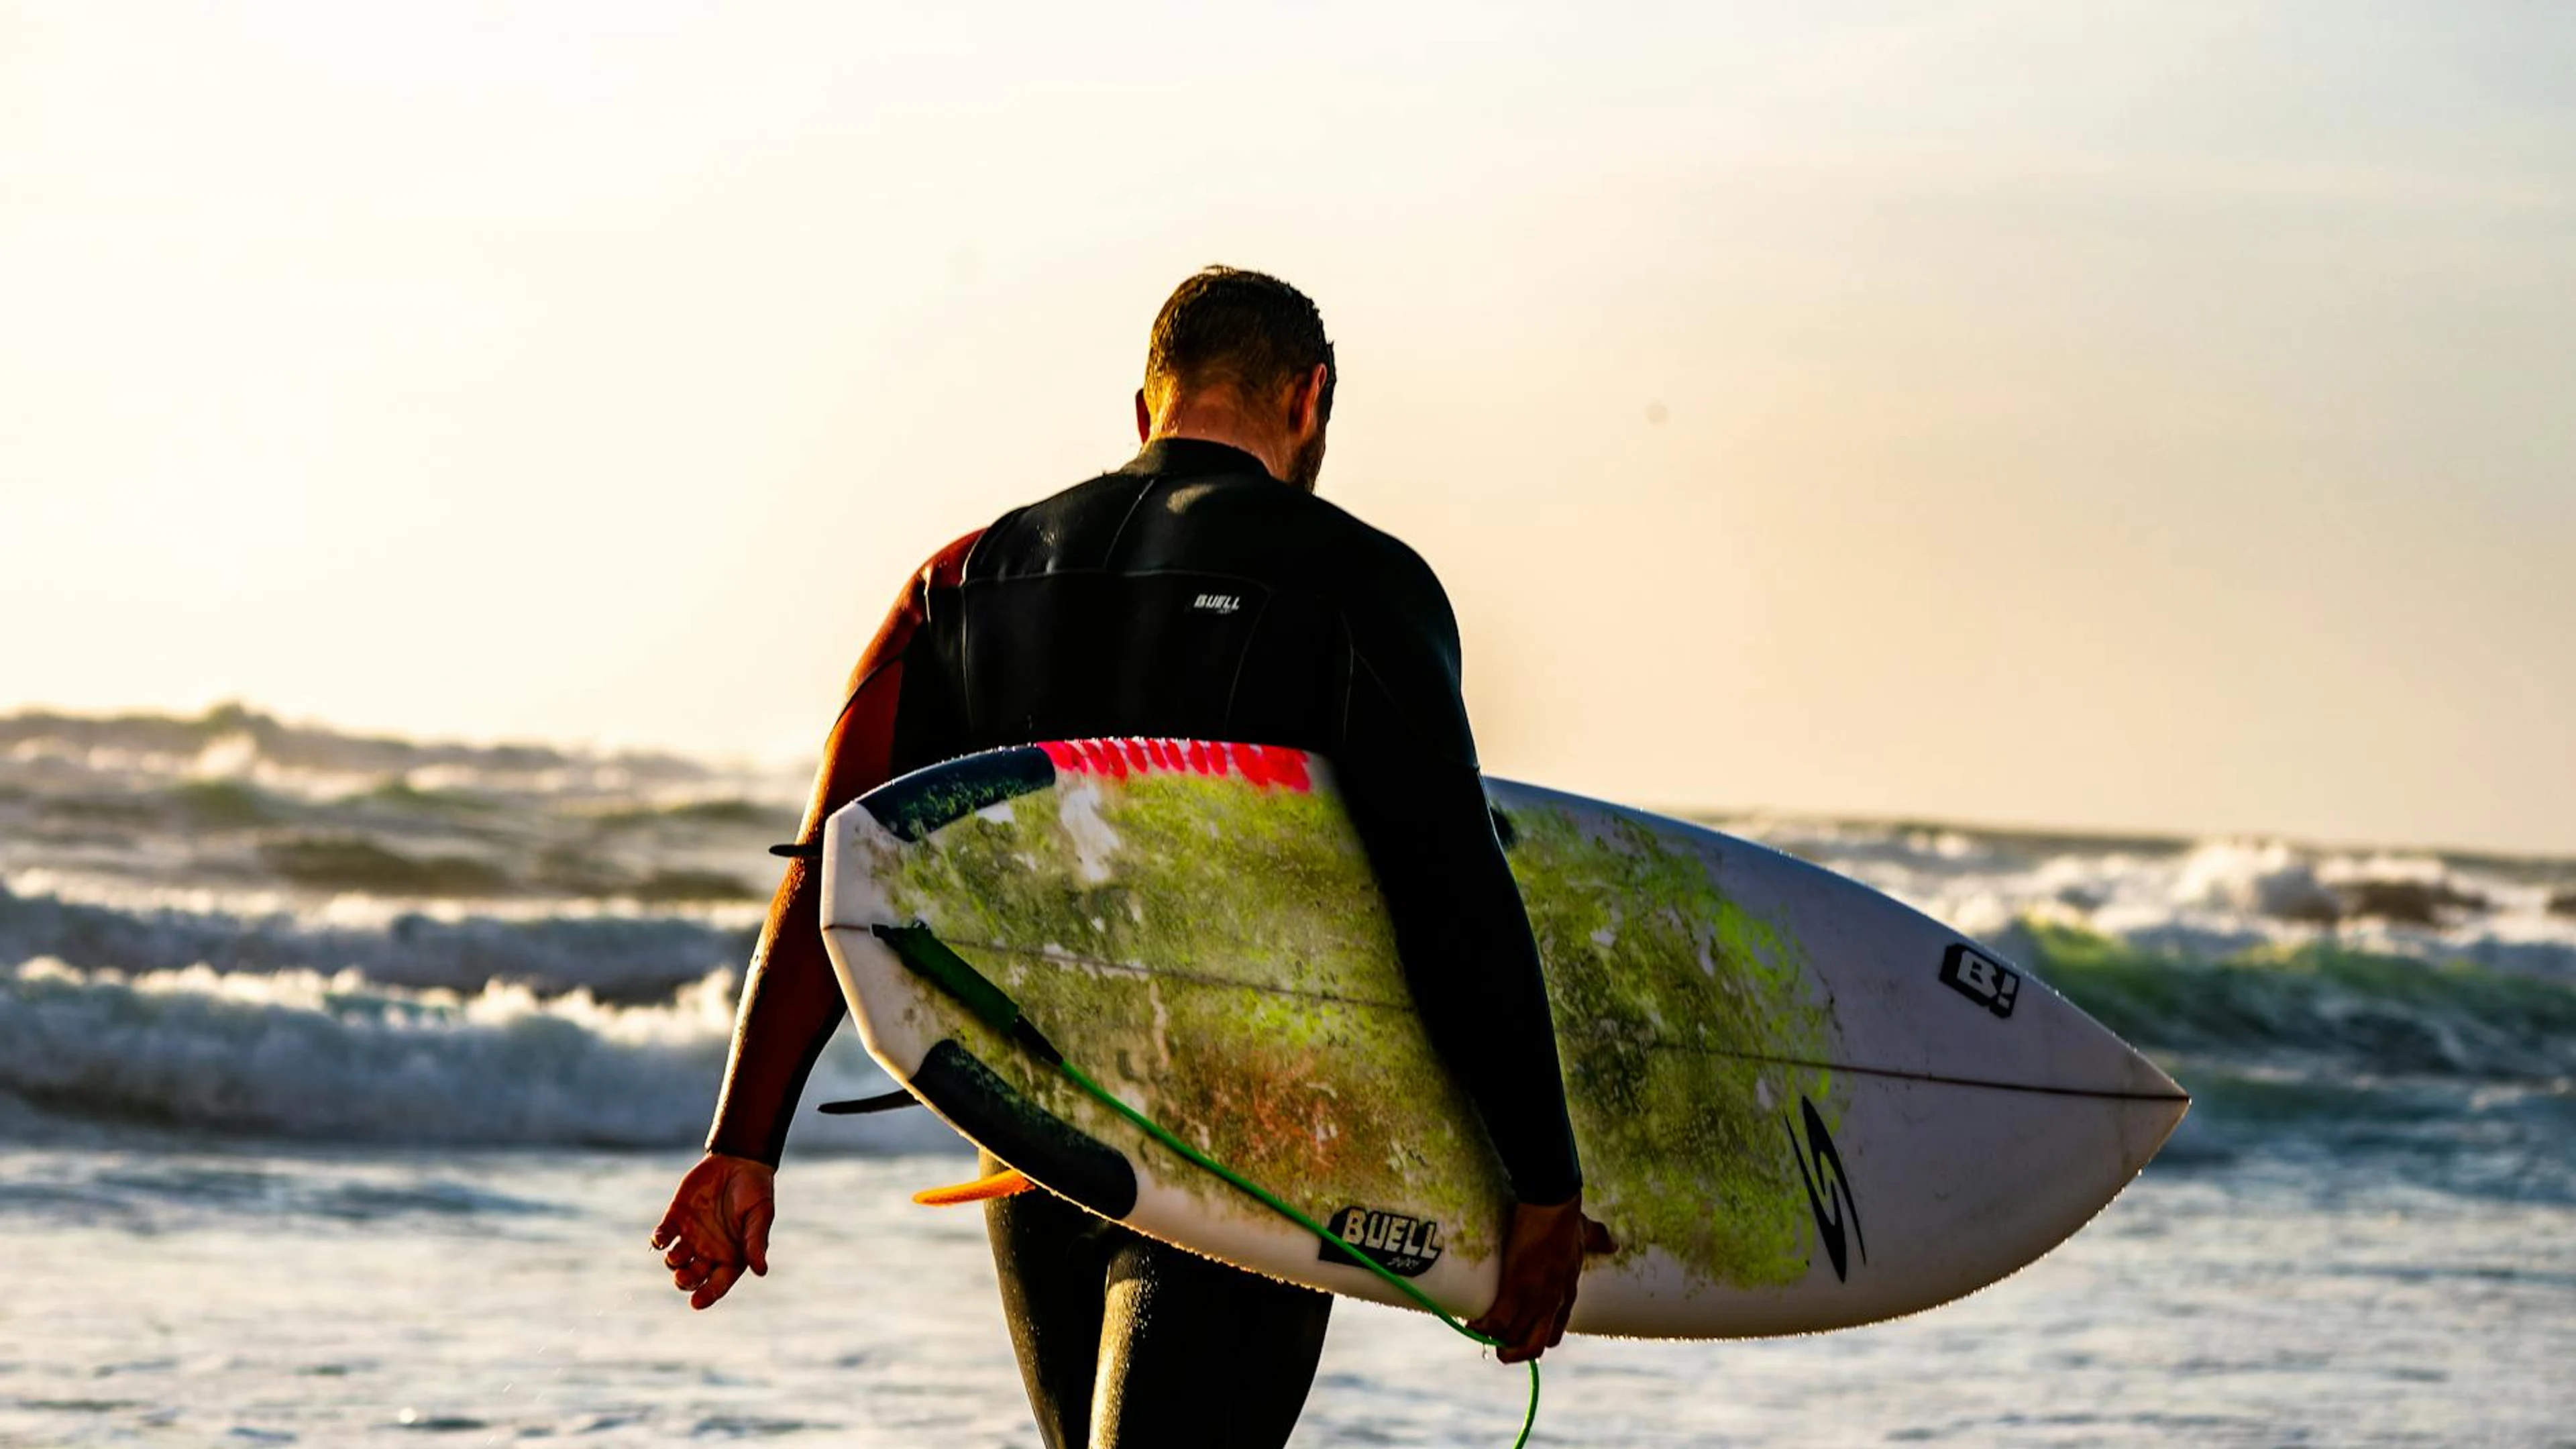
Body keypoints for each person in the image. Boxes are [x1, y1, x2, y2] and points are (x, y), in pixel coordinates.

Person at [652, 266, 1607, 1448]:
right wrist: (1544, 1184)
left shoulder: (959, 581)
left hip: (1039, 1145)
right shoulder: (1359, 582)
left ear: (1145, 407)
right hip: (1247, 1143)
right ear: (1309, 400)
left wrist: (743, 1142)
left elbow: (835, 870)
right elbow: (1450, 893)